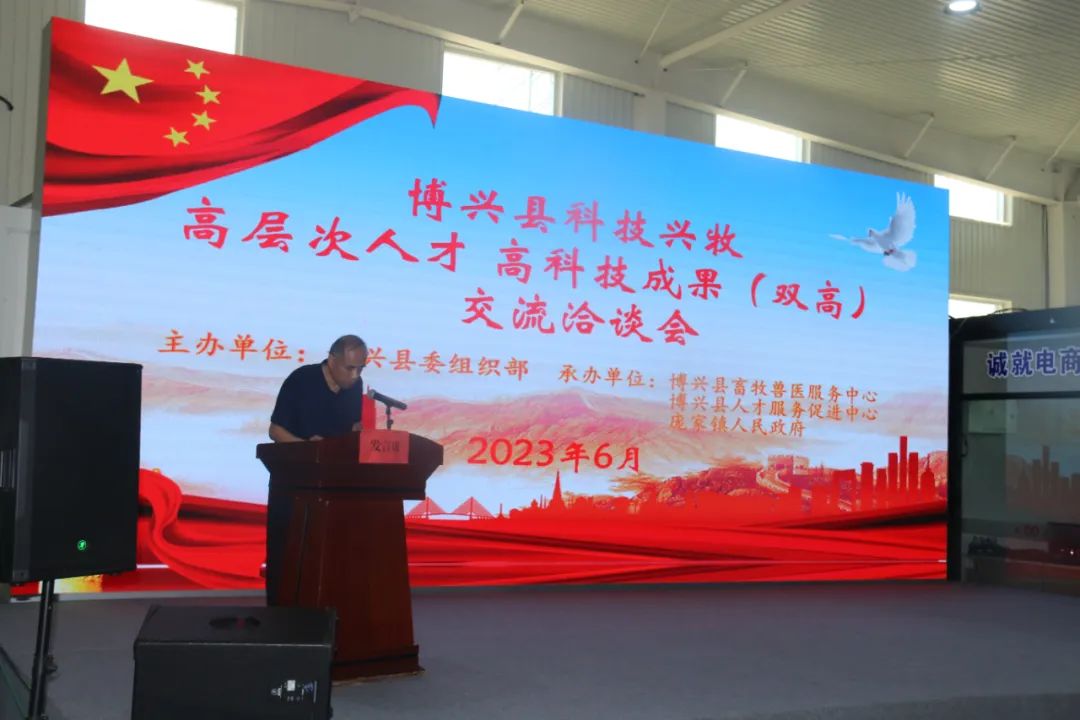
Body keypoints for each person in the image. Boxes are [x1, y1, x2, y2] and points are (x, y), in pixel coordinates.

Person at [268, 334, 368, 442]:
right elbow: (275, 431)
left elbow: (352, 427)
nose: (355, 375)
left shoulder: (356, 385)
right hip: (299, 452)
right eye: (349, 368)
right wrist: (307, 446)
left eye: (360, 368)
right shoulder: (301, 379)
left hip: (336, 453)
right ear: (332, 360)